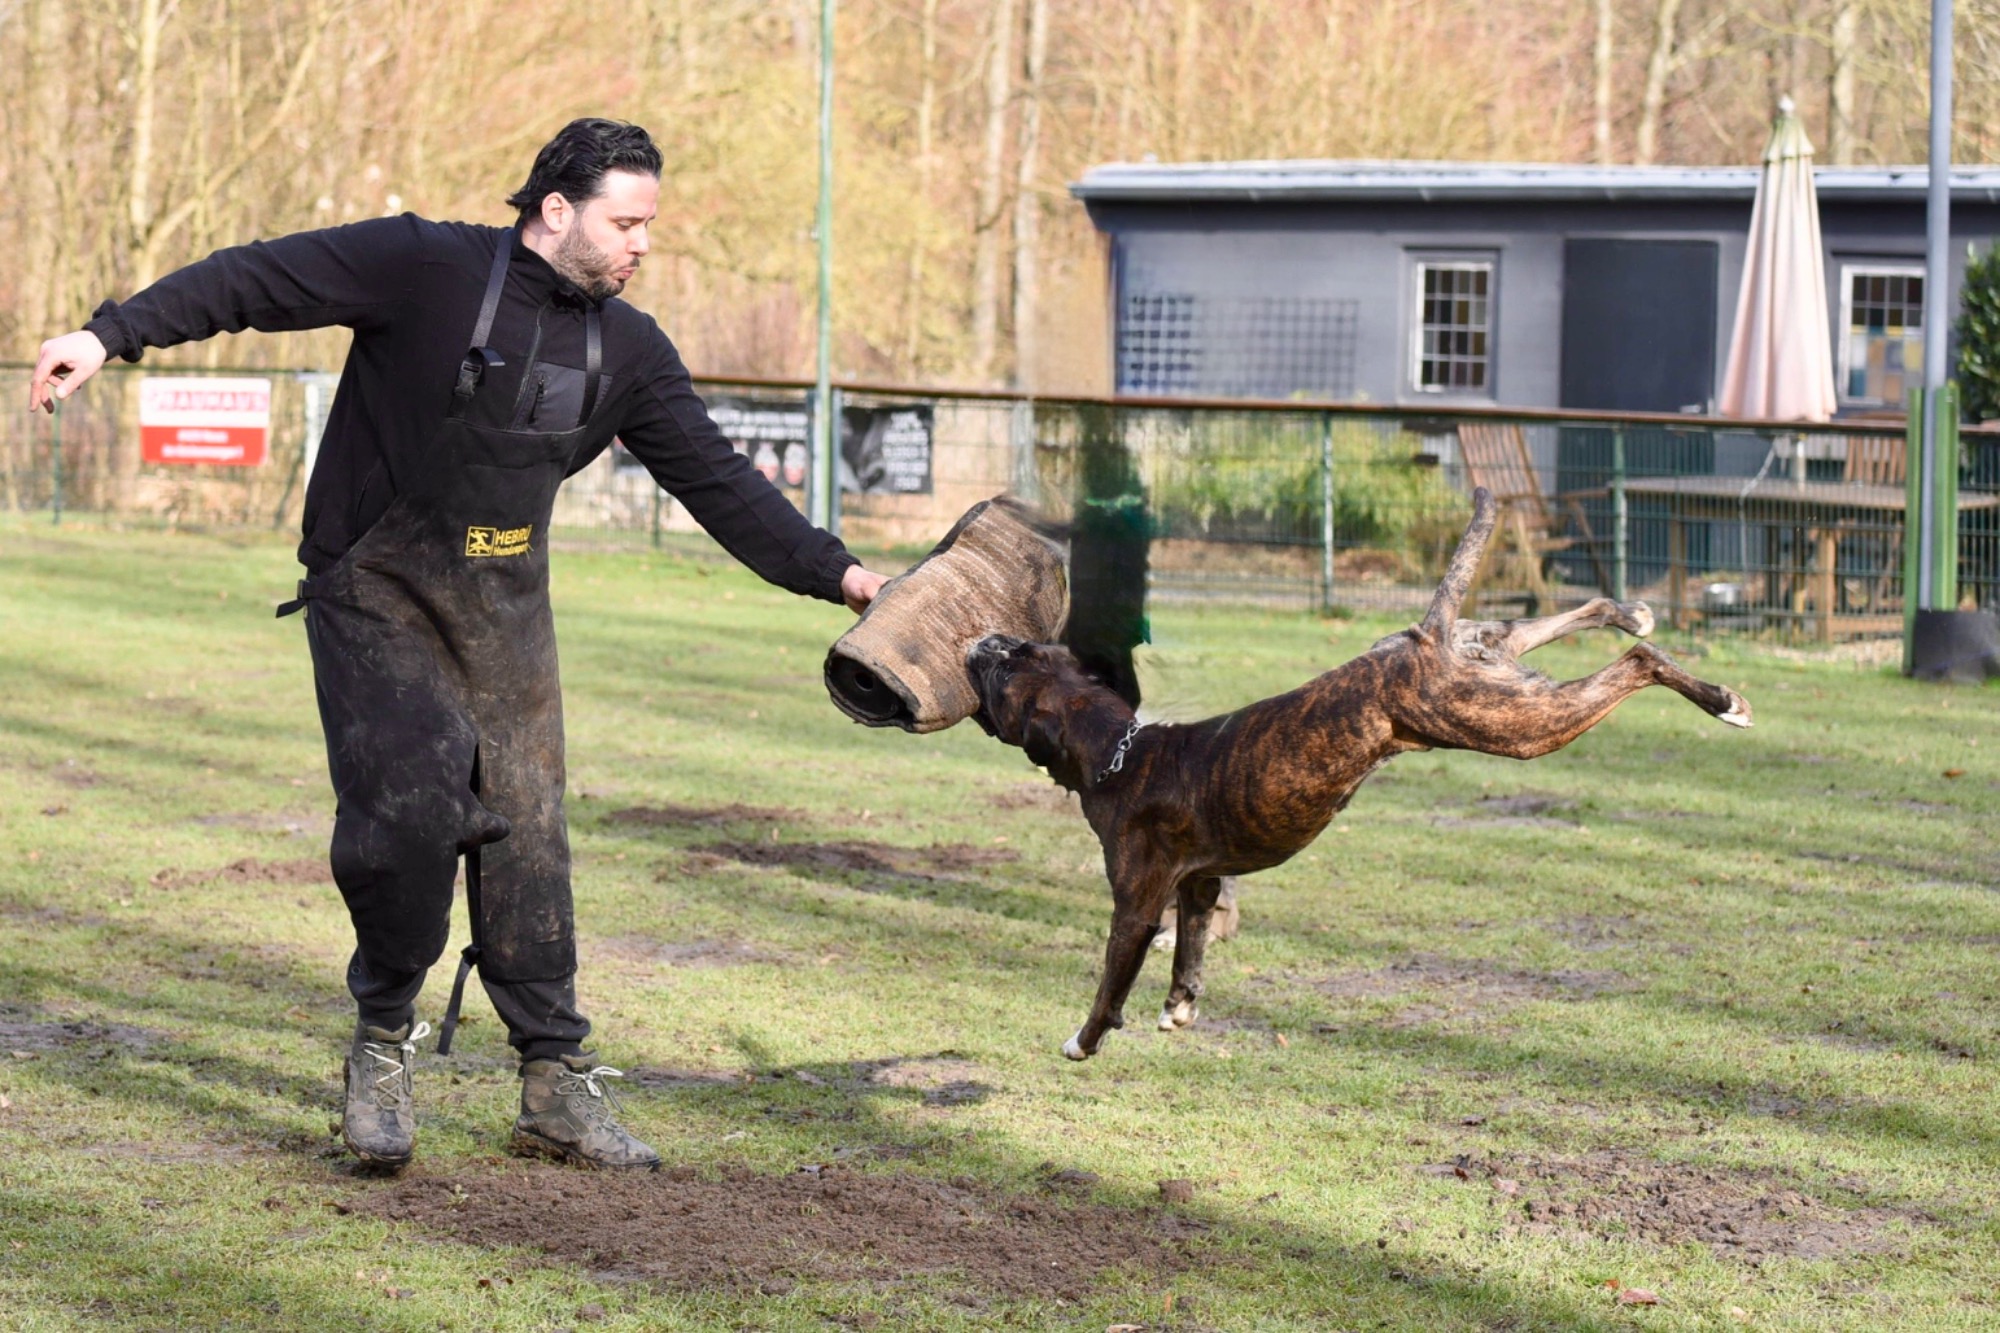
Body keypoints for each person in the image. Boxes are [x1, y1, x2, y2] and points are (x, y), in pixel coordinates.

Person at [28, 118, 888, 1172]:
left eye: (649, 225)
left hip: (505, 609)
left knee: (531, 835)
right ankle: (382, 1038)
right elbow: (258, 279)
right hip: (373, 587)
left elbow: (720, 482)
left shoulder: (630, 351)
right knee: (416, 810)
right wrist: (111, 334)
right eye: (625, 223)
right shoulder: (423, 266)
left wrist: (845, 576)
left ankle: (555, 1085)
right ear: (556, 210)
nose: (642, 244)